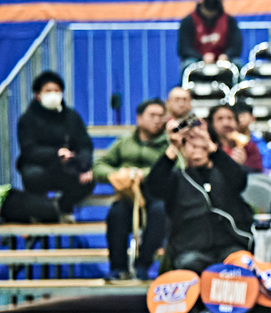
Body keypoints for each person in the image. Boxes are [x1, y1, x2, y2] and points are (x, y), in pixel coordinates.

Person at [146, 114, 253, 272]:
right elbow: (153, 186)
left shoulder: (224, 172)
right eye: (190, 142)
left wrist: (210, 144)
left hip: (230, 246)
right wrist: (174, 147)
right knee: (190, 265)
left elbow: (240, 180)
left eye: (200, 141)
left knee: (240, 264)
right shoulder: (177, 179)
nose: (196, 145)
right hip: (190, 250)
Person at [91, 98, 169, 280]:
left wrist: (144, 174)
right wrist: (116, 174)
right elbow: (99, 166)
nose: (157, 120)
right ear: (139, 118)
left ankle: (143, 264)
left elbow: (177, 168)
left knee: (160, 212)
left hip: (157, 195)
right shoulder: (124, 143)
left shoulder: (169, 144)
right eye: (152, 115)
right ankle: (118, 268)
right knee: (116, 214)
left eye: (161, 116)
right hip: (128, 194)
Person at [16, 71, 94, 216]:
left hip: (67, 166)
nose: (53, 94)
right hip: (39, 166)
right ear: (37, 95)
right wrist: (56, 154)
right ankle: (42, 212)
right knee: (32, 176)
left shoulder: (71, 117)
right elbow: (29, 150)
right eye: (48, 91)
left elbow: (84, 145)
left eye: (57, 91)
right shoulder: (28, 119)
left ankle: (61, 208)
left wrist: (83, 165)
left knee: (88, 180)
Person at [178, 0, 241, 64]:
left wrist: (226, 56)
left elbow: (236, 47)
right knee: (188, 63)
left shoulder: (229, 21)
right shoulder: (188, 21)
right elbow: (184, 49)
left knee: (237, 63)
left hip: (223, 62)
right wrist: (201, 57)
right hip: (197, 62)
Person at [209, 103, 263, 173]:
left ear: (237, 123)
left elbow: (257, 173)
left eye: (230, 118)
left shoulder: (249, 147)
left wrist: (243, 165)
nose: (226, 123)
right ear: (212, 124)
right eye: (220, 119)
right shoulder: (207, 149)